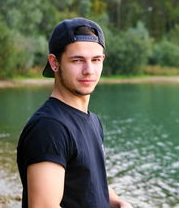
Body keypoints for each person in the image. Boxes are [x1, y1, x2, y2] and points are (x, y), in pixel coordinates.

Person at [17, 18, 133, 208]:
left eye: (96, 60)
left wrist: (117, 202)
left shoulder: (93, 120)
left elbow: (88, 181)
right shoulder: (49, 127)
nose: (89, 70)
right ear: (54, 63)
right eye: (77, 60)